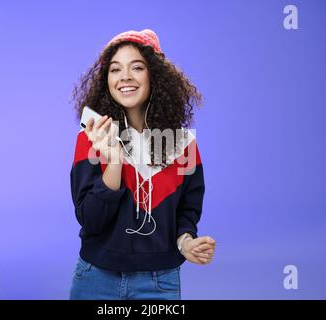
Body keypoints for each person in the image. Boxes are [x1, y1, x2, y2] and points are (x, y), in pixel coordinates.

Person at [69, 29, 216, 300]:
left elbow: (187, 211)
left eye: (137, 67)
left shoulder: (183, 143)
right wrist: (114, 162)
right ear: (106, 80)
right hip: (95, 277)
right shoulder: (91, 138)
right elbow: (90, 220)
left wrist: (186, 242)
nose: (125, 76)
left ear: (155, 76)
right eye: (115, 70)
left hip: (159, 281)